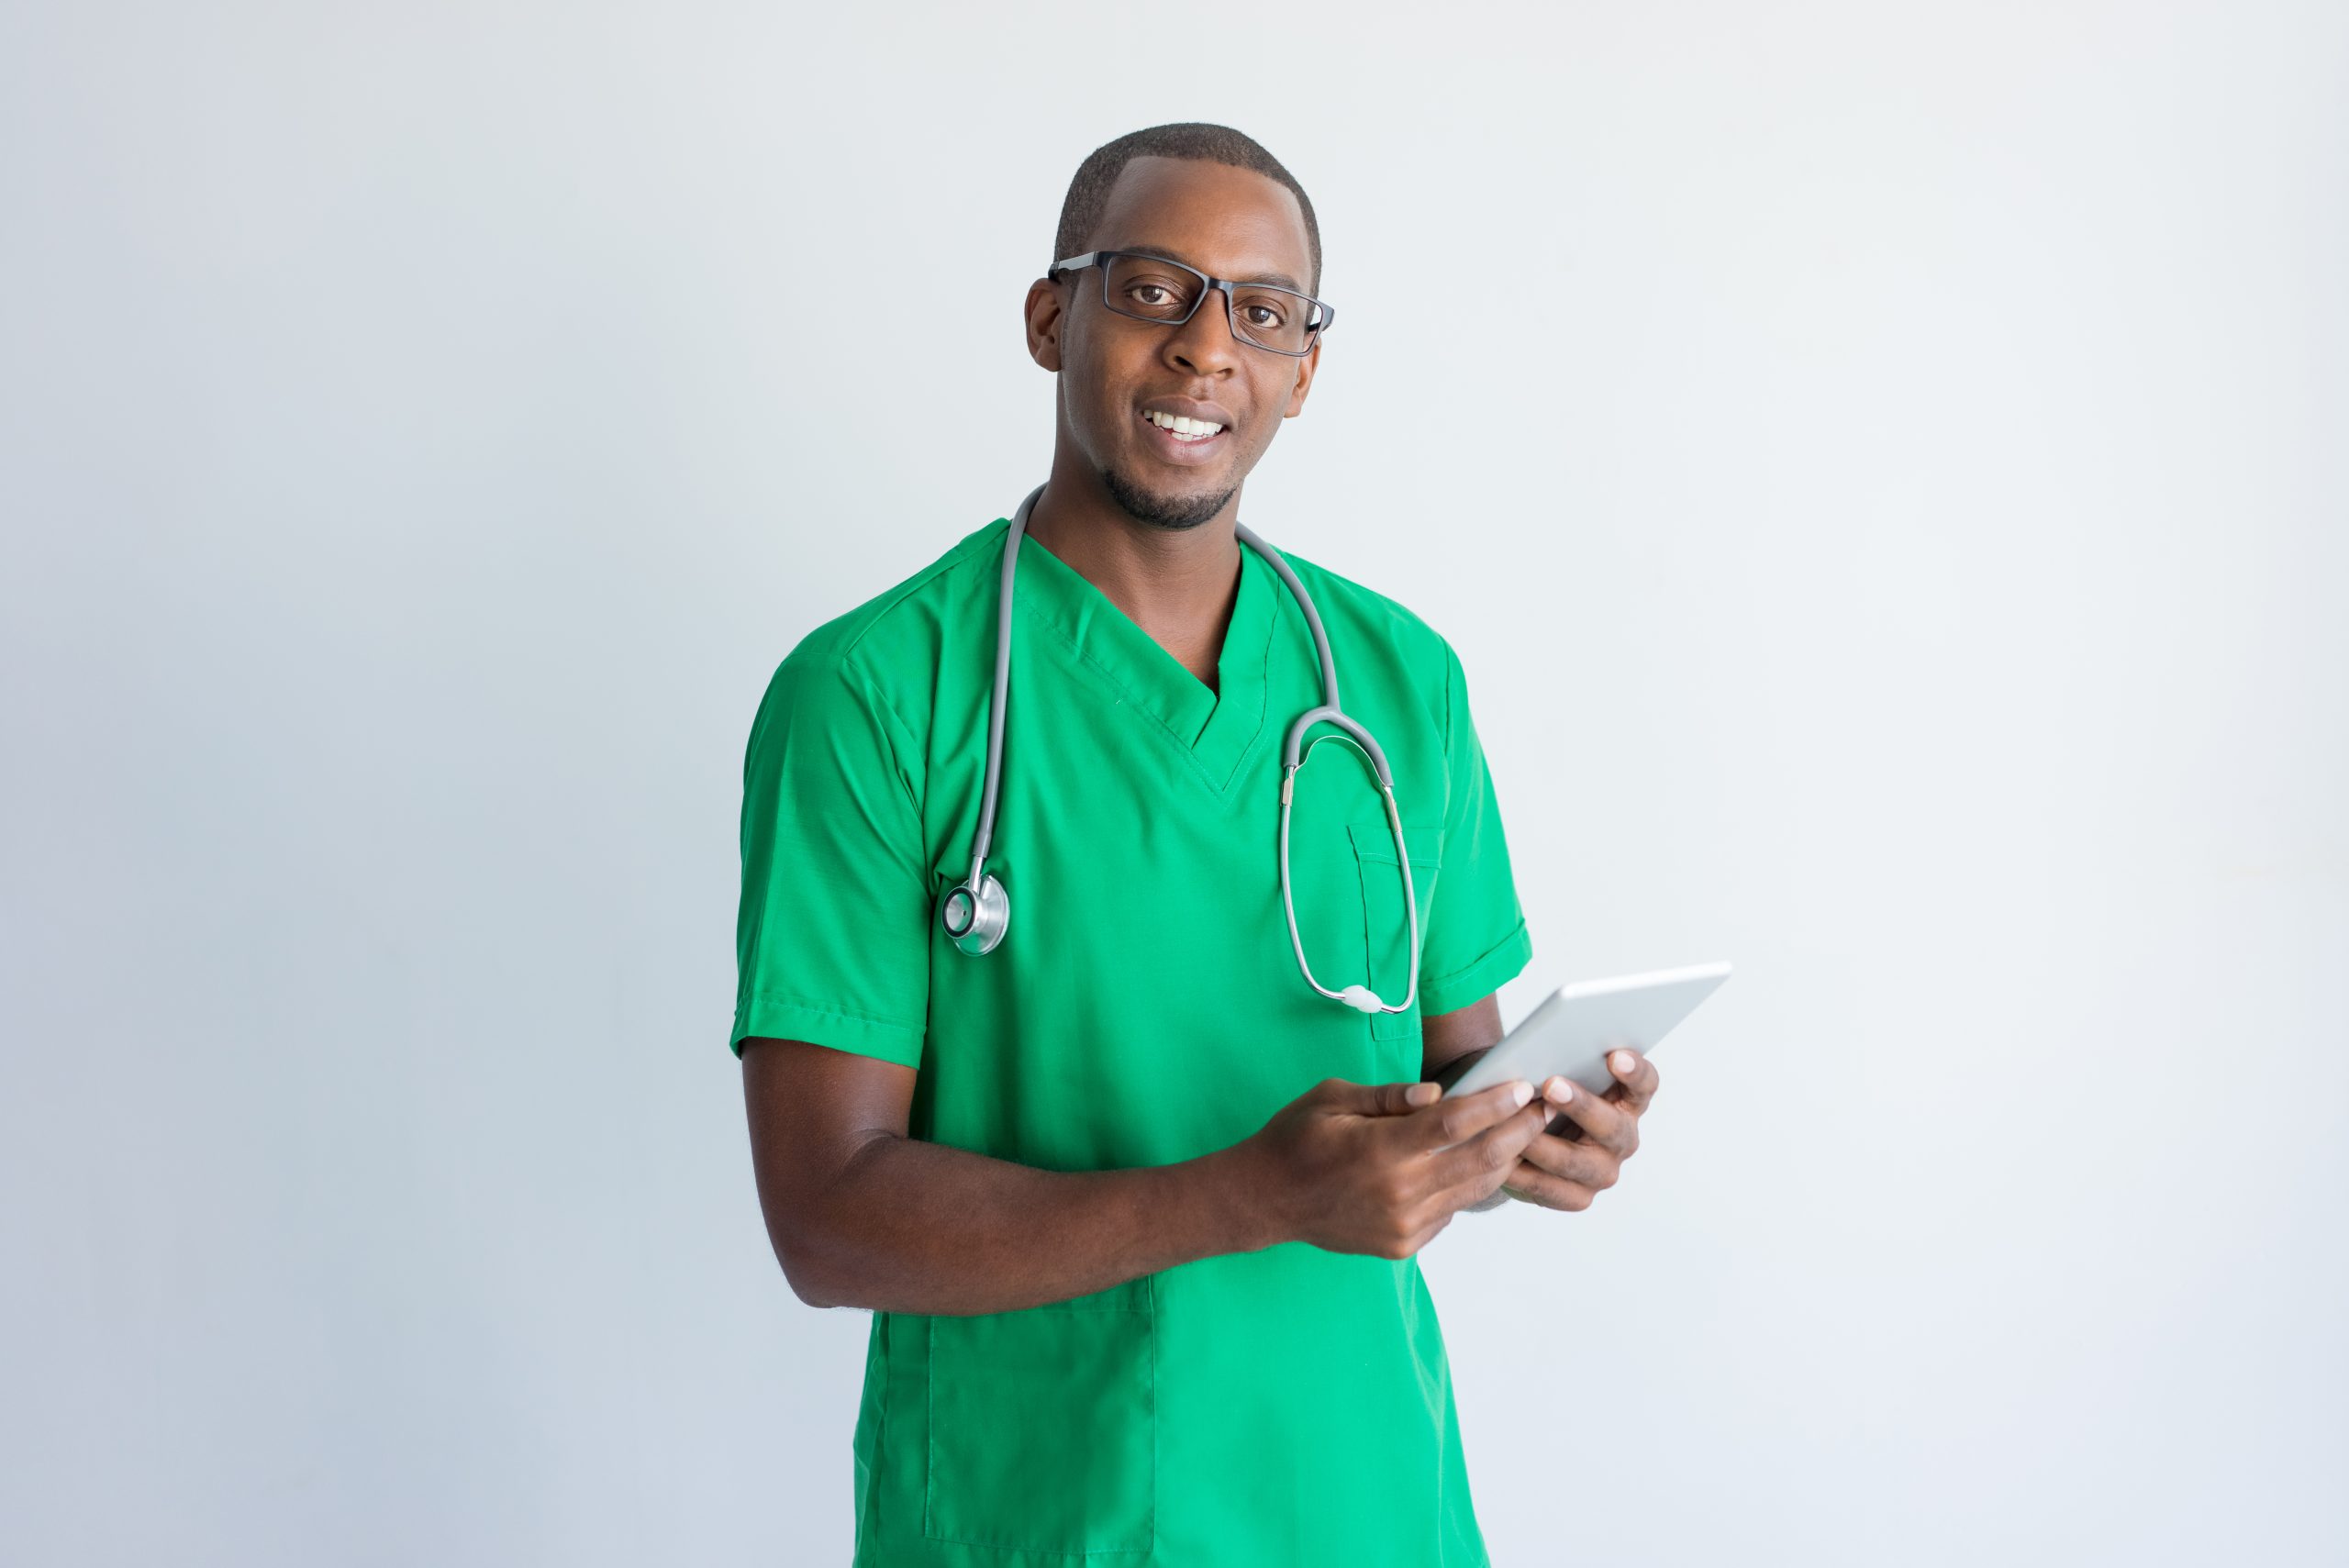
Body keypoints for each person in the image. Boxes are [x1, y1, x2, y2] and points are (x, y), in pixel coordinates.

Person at [732, 122, 1663, 1568]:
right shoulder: (875, 694)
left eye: (1262, 310)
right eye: (1155, 288)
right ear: (1056, 317)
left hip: (1370, 1506)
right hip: (1037, 1517)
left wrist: (1526, 1140)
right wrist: (1254, 1190)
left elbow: (1445, 1086)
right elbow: (826, 1215)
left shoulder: (1398, 682)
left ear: (1303, 368)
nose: (1205, 347)